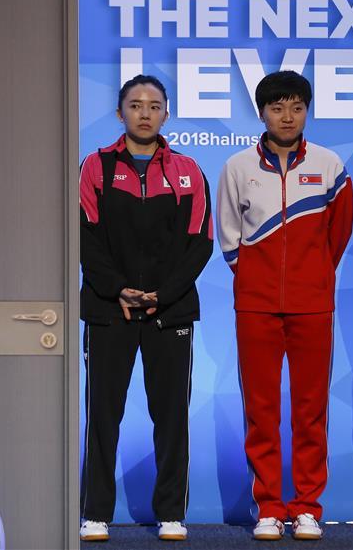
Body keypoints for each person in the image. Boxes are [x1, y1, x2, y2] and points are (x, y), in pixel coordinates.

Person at [217, 71, 353, 541]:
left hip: (312, 306)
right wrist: (255, 278)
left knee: (311, 410)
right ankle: (270, 506)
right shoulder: (237, 167)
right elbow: (229, 235)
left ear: (307, 111)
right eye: (277, 107)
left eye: (296, 107)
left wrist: (313, 277)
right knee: (261, 409)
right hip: (255, 307)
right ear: (261, 113)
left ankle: (307, 507)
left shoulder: (329, 164)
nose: (287, 116)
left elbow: (338, 235)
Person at [78, 74, 213, 542]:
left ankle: (171, 512)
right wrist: (117, 288)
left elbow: (200, 243)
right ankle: (95, 512)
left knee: (171, 416)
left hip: (169, 311)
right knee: (103, 415)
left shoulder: (188, 170)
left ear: (166, 113)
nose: (144, 112)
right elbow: (85, 237)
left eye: (154, 105)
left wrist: (162, 293)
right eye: (135, 105)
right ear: (120, 113)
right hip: (107, 309)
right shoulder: (95, 166)